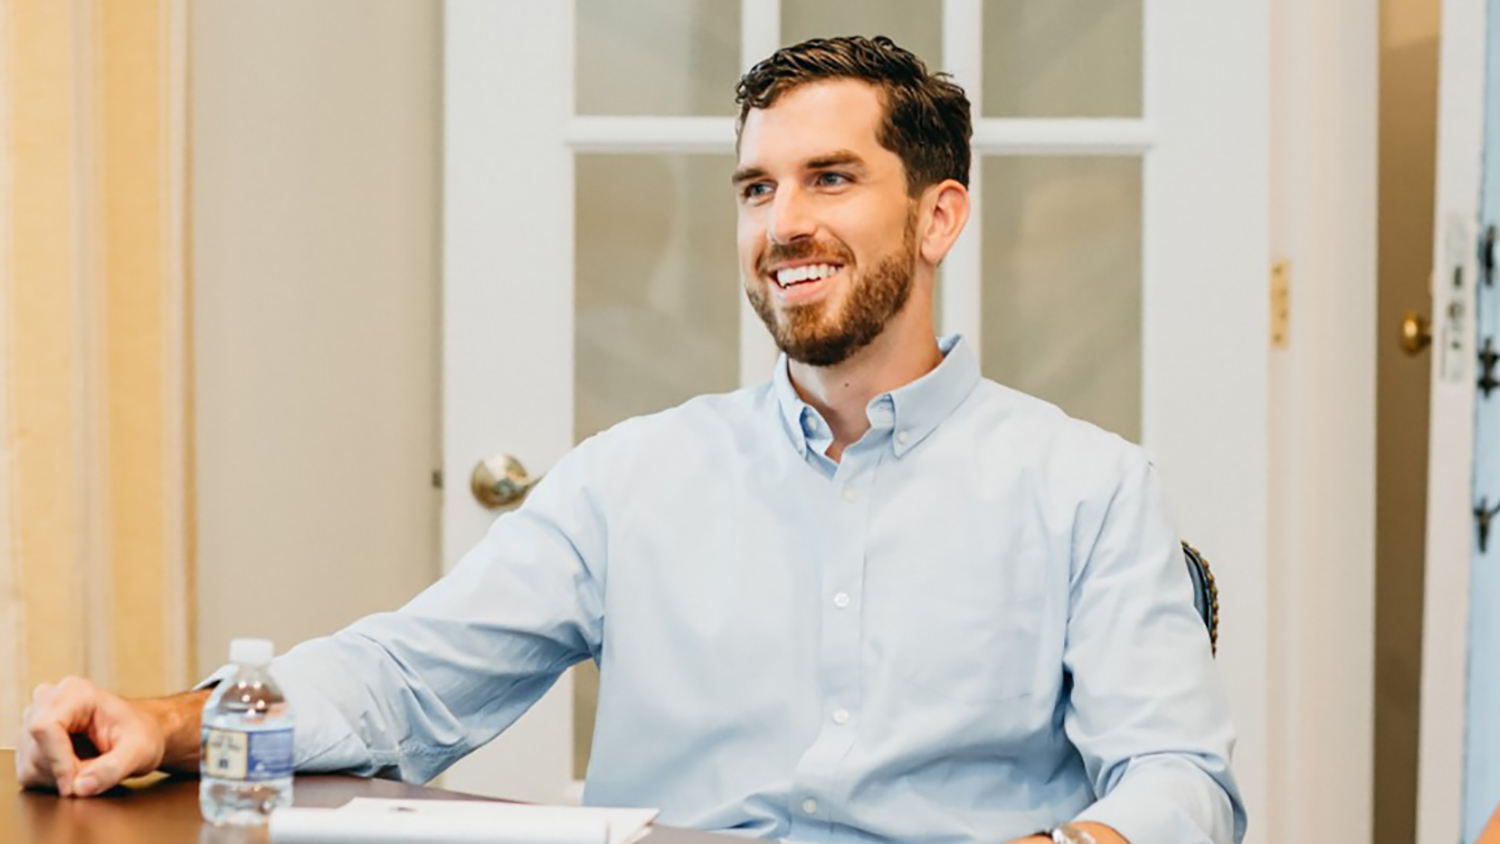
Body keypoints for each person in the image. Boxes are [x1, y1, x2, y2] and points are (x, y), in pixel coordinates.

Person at [16, 36, 1244, 844]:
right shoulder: (633, 477)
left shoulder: (1087, 486)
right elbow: (406, 681)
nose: (783, 224)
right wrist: (173, 722)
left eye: (830, 179)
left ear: (939, 217)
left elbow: (1184, 778)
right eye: (758, 188)